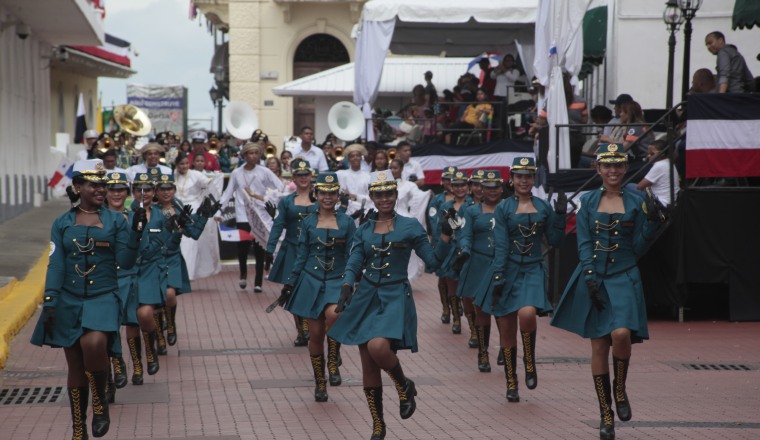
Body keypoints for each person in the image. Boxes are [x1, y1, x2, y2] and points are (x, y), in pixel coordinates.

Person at [551, 143, 666, 440]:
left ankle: (620, 388)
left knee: (621, 334)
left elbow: (639, 247)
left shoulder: (637, 198)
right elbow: (585, 241)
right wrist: (589, 275)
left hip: (624, 274)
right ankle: (606, 414)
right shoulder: (588, 200)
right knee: (599, 344)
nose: (613, 170)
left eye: (618, 165)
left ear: (626, 168)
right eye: (607, 165)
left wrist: (652, 224)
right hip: (593, 275)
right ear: (598, 168)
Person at [328, 171, 454, 440]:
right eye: (379, 194)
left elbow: (432, 262)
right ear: (372, 197)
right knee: (368, 364)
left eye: (389, 193)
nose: (384, 198)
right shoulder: (364, 229)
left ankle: (404, 385)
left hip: (395, 295)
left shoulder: (409, 226)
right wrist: (347, 284)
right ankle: (378, 424)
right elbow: (354, 261)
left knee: (378, 347)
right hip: (366, 298)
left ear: (396, 195)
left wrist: (444, 237)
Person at [31, 159, 144, 439]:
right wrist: (50, 299)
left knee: (94, 343)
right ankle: (78, 428)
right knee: (76, 365)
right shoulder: (62, 222)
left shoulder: (116, 220)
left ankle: (100, 403)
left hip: (103, 296)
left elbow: (126, 262)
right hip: (69, 299)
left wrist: (135, 236)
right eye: (94, 184)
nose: (101, 189)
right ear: (78, 186)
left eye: (103, 185)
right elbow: (56, 263)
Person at [477, 158, 566, 401]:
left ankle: (529, 362)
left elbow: (555, 241)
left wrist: (560, 216)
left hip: (534, 269)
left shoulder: (542, 205)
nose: (524, 180)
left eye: (528, 176)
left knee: (527, 314)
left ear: (533, 178)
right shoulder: (504, 207)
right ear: (512, 179)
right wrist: (497, 278)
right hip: (508, 269)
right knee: (506, 330)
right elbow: (502, 247)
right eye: (519, 176)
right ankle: (511, 382)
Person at [275, 172, 356, 401]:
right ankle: (320, 382)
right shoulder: (308, 221)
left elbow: (353, 255)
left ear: (338, 195)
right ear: (316, 193)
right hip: (311, 281)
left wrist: (351, 281)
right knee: (316, 335)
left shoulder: (348, 222)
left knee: (335, 317)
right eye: (323, 193)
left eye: (332, 193)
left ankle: (333, 360)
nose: (327, 197)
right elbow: (301, 255)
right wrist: (290, 284)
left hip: (337, 280)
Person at [215, 142, 282, 292]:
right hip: (242, 214)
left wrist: (268, 198)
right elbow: (227, 193)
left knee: (260, 247)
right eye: (250, 153)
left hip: (260, 213)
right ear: (244, 156)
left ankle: (258, 282)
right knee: (243, 247)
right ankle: (243, 273)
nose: (253, 156)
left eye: (256, 153)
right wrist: (219, 212)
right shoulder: (237, 173)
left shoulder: (264, 171)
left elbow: (279, 187)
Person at [266, 159, 317, 347]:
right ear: (294, 177)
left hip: (315, 251)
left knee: (312, 289)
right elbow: (278, 226)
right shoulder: (286, 201)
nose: (303, 178)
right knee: (295, 289)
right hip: (293, 249)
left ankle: (314, 327)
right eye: (300, 175)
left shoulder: (319, 199)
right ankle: (302, 330)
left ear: (311, 177)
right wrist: (269, 249)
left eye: (307, 175)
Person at [456, 170, 502, 372]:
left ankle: (505, 347)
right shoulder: (472, 211)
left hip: (501, 263)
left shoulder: (508, 208)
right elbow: (465, 235)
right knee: (481, 310)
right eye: (488, 188)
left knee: (502, 310)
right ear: (481, 189)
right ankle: (483, 353)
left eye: (496, 187)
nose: (492, 191)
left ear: (502, 188)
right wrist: (464, 250)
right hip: (479, 263)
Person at [436, 171, 475, 341]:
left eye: (463, 185)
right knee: (451, 286)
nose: (459, 189)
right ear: (451, 187)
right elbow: (441, 229)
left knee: (468, 292)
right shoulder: (446, 206)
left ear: (468, 187)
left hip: (467, 251)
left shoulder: (472, 205)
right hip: (451, 249)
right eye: (456, 186)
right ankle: (456, 319)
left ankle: (474, 329)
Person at [104, 171, 132, 395]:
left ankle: (117, 360)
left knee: (116, 325)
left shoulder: (135, 216)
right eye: (112, 189)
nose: (116, 194)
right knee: (103, 329)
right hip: (104, 278)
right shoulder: (95, 216)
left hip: (127, 276)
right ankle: (109, 375)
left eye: (121, 189)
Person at [174, 153, 223, 280]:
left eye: (186, 163)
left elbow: (208, 183)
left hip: (193, 208)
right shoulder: (173, 175)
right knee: (179, 241)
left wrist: (217, 177)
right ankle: (181, 272)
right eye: (181, 164)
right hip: (178, 210)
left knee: (190, 242)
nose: (184, 166)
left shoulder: (195, 174)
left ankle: (189, 273)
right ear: (177, 165)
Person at [390, 159, 433, 281]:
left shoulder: (409, 185)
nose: (393, 170)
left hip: (403, 218)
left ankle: (405, 275)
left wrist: (427, 194)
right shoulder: (384, 184)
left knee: (404, 247)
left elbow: (418, 198)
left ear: (402, 169)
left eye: (396, 168)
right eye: (391, 168)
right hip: (387, 218)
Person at [427, 166, 457, 324]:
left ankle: (457, 311)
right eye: (446, 179)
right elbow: (432, 220)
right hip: (441, 242)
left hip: (457, 244)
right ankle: (446, 308)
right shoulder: (437, 199)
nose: (449, 182)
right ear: (442, 181)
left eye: (452, 179)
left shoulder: (465, 198)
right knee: (443, 278)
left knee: (455, 278)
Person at [632, 140, 680, 206]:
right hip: (671, 202)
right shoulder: (669, 162)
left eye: (652, 154)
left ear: (662, 153)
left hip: (661, 203)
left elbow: (639, 186)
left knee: (628, 187)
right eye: (648, 153)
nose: (648, 156)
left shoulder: (659, 165)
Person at [336, 144, 372, 212]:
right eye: (352, 156)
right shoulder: (340, 174)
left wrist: (354, 196)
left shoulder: (368, 176)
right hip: (344, 209)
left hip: (363, 210)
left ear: (361, 158)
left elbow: (371, 198)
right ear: (348, 159)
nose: (355, 158)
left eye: (357, 155)